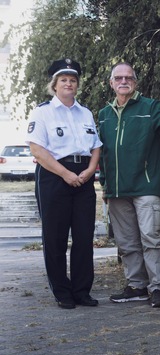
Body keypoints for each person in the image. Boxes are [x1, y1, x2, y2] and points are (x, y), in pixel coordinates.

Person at [98, 62, 160, 308]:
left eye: (128, 77)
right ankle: (136, 286)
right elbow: (103, 153)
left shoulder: (150, 107)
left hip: (145, 187)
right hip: (117, 191)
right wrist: (105, 186)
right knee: (127, 243)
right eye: (118, 78)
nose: (123, 81)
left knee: (151, 238)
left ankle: (158, 288)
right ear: (111, 83)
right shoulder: (104, 114)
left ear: (135, 82)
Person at [25, 58, 102, 309]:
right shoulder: (42, 112)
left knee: (83, 236)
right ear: (54, 85)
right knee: (55, 237)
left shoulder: (85, 112)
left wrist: (90, 170)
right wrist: (65, 174)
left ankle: (81, 291)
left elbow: (96, 146)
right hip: (54, 176)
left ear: (77, 85)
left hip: (84, 175)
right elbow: (37, 150)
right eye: (63, 80)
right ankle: (62, 292)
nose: (69, 83)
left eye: (72, 80)